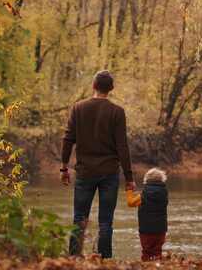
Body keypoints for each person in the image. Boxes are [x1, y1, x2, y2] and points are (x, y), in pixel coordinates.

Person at [60, 70, 136, 259]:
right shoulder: (117, 112)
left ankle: (74, 258)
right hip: (109, 173)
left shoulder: (78, 108)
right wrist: (129, 178)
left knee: (79, 218)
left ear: (93, 86)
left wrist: (64, 167)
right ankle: (104, 260)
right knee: (105, 222)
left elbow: (68, 139)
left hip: (85, 171)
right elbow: (122, 147)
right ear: (111, 89)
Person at [126, 168, 168, 261]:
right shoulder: (164, 194)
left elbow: (130, 203)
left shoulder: (143, 195)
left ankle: (146, 266)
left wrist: (129, 190)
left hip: (146, 231)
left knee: (146, 252)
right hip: (161, 231)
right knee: (157, 252)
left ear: (146, 180)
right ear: (162, 179)